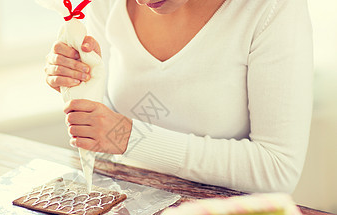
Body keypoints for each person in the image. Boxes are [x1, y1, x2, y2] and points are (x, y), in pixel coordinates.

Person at [44, 0, 313, 194]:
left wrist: (129, 138)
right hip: (129, 212)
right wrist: (77, 82)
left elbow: (278, 169)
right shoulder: (105, 5)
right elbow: (110, 129)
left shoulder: (271, 9)